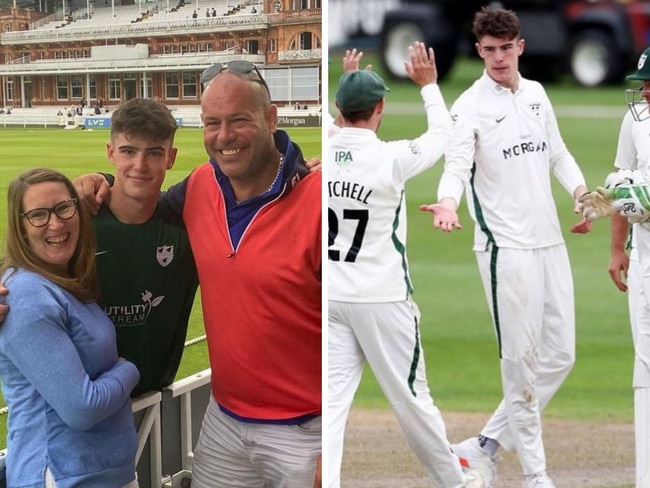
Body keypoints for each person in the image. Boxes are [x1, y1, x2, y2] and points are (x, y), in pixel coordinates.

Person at [420, 7, 590, 488]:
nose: (498, 58)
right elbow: (455, 163)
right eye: (489, 50)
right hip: (505, 250)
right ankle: (536, 475)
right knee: (520, 366)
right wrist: (449, 203)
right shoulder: (469, 106)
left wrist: (580, 194)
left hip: (550, 242)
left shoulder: (536, 94)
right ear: (479, 51)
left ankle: (485, 445)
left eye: (505, 48)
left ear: (520, 46)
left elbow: (558, 153)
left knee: (560, 355)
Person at [328, 42, 483, 488]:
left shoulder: (328, 142)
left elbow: (335, 122)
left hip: (334, 297)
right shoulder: (392, 157)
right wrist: (430, 86)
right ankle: (457, 483)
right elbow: (445, 135)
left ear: (340, 106)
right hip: (383, 298)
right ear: (380, 108)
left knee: (333, 404)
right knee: (413, 401)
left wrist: (346, 78)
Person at [165, 60, 322, 488]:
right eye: (211, 123)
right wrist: (96, 186)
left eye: (238, 120)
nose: (223, 137)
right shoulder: (199, 184)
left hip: (310, 433)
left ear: (270, 118)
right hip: (224, 420)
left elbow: (357, 324)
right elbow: (136, 212)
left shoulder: (321, 200)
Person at [0, 168, 140, 487]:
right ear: (20, 229)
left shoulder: (63, 282)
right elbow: (82, 409)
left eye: (64, 208)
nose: (56, 223)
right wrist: (129, 370)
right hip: (61, 476)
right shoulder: (28, 294)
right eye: (38, 215)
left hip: (98, 473)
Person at [92, 97, 198, 398]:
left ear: (171, 157)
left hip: (155, 402)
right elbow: (24, 274)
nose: (140, 165)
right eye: (128, 151)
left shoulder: (185, 228)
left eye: (154, 153)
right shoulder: (75, 223)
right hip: (87, 412)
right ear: (111, 153)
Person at [579, 46, 650, 488]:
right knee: (644, 369)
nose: (643, 92)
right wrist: (616, 246)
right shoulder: (636, 120)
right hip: (644, 260)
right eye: (642, 84)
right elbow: (622, 181)